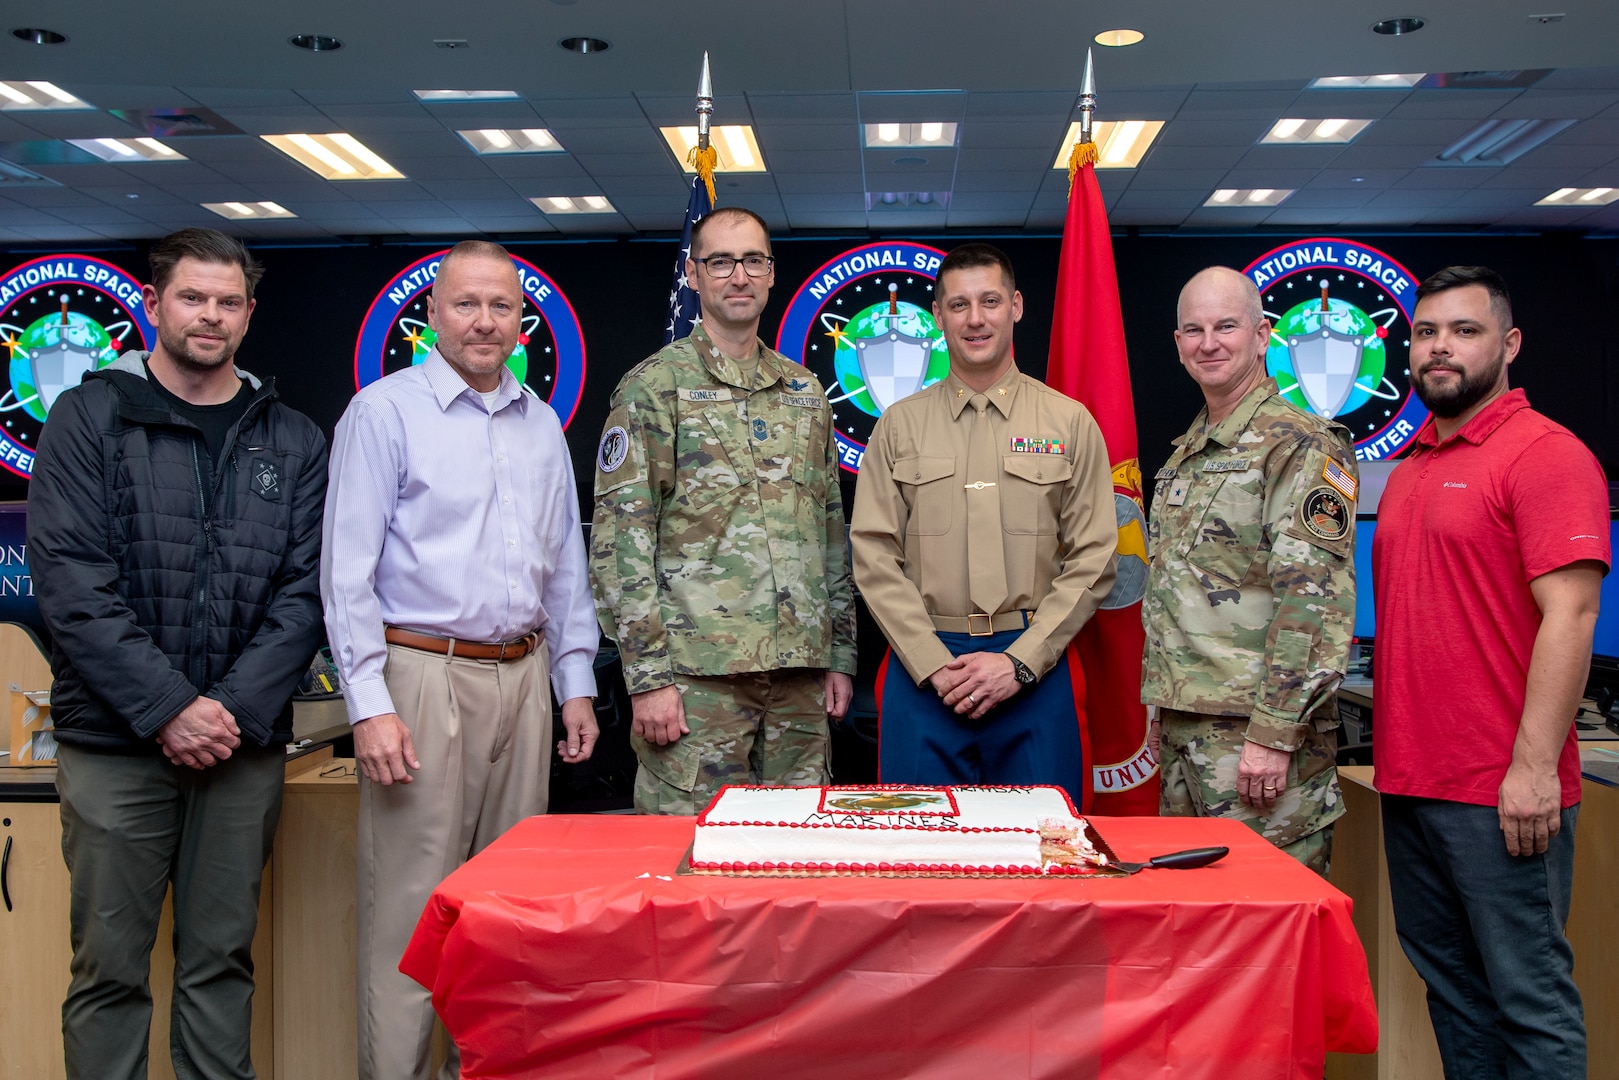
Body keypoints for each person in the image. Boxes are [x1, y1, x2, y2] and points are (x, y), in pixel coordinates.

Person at [27, 227, 327, 1080]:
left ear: (249, 314)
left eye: (228, 302)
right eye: (193, 298)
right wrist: (171, 710)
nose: (211, 316)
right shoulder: (88, 417)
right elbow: (73, 586)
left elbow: (305, 594)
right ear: (154, 303)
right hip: (116, 747)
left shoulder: (294, 436)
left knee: (220, 965)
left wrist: (227, 712)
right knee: (109, 973)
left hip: (240, 751)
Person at [322, 240, 599, 1080]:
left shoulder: (540, 422)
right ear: (432, 314)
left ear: (522, 322)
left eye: (501, 307)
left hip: (523, 677)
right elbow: (345, 575)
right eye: (466, 304)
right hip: (420, 680)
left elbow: (565, 565)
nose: (484, 322)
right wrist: (368, 706)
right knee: (412, 915)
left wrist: (575, 682)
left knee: (506, 916)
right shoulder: (383, 413)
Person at [1373, 265, 1605, 1078]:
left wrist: (1534, 768)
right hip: (1412, 784)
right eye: (1427, 332)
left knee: (1528, 1001)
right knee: (1455, 995)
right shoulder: (1409, 468)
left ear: (1506, 345)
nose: (1440, 349)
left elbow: (1571, 616)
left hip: (1501, 793)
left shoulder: (1544, 455)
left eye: (1463, 332)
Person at [591, 206, 856, 815]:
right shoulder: (653, 388)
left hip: (798, 678)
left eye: (753, 260)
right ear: (693, 273)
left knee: (796, 860)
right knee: (691, 865)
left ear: (770, 273)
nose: (738, 275)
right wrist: (649, 679)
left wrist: (839, 655)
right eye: (720, 262)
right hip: (695, 682)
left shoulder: (805, 392)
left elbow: (829, 533)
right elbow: (620, 545)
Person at [850, 242, 1117, 802]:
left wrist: (1020, 661)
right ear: (939, 316)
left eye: (990, 301)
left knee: (1046, 854)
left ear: (1016, 306)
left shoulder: (1069, 422)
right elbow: (873, 555)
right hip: (924, 668)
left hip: (1033, 665)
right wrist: (933, 663)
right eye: (959, 305)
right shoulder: (898, 427)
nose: (976, 319)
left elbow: (1094, 558)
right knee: (919, 857)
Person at [1141, 266, 1357, 875]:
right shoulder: (1193, 449)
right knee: (1194, 936)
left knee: (1269, 942)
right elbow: (1182, 595)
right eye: (1194, 329)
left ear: (1262, 336)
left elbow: (1313, 607)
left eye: (1226, 326)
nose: (1209, 342)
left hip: (1258, 749)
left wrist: (1274, 733)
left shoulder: (1299, 444)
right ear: (1178, 343)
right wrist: (1164, 705)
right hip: (1192, 733)